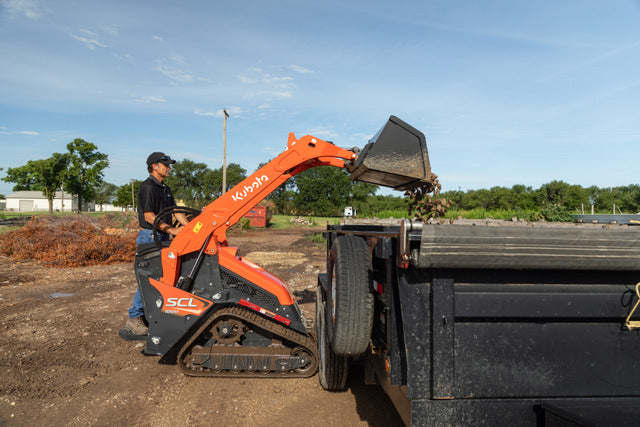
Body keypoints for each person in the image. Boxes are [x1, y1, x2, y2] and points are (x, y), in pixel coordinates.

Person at [124, 152, 189, 336]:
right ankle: (134, 318)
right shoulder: (148, 187)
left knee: (163, 279)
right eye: (166, 164)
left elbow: (176, 211)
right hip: (151, 237)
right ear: (154, 166)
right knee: (149, 278)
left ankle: (151, 316)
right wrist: (172, 230)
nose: (169, 167)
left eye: (169, 164)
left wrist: (192, 228)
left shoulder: (165, 188)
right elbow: (149, 216)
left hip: (162, 238)